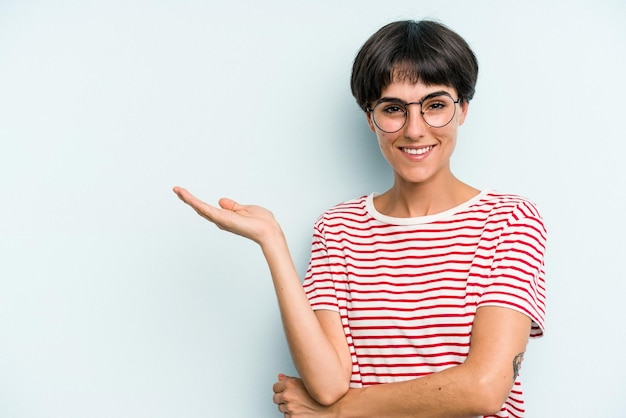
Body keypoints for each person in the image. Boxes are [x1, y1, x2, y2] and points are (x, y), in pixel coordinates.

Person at [173, 19, 546, 418]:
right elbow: (328, 383)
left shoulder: (509, 220)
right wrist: (272, 241)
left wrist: (337, 413)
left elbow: (485, 388)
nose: (415, 130)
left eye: (435, 105)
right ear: (371, 119)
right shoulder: (338, 228)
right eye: (393, 109)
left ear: (463, 110)